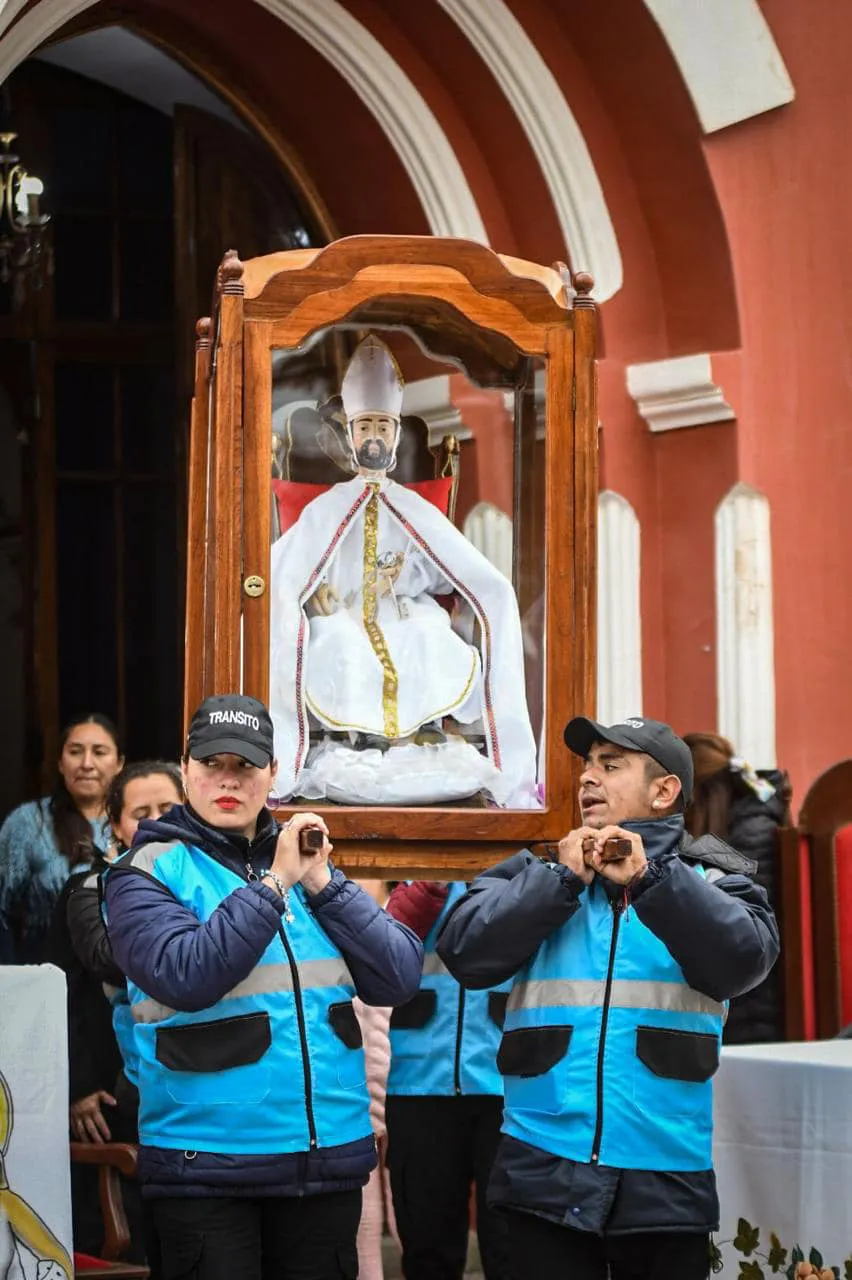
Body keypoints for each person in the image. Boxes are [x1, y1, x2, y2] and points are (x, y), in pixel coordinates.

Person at [436, 715, 780, 1280]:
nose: (588, 778)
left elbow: (742, 961)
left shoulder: (719, 881)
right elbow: (465, 953)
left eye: (611, 765)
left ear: (663, 790)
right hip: (540, 1167)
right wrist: (560, 882)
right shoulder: (535, 872)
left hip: (663, 1174)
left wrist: (651, 881)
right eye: (587, 765)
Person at [103, 693, 423, 1280]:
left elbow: (398, 976)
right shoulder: (143, 872)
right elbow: (186, 972)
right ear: (186, 769)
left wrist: (325, 882)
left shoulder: (306, 866)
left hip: (323, 1160)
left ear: (273, 774)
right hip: (207, 1168)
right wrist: (275, 884)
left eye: (245, 766)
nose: (228, 780)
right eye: (212, 764)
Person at [269, 334, 537, 808]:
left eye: (382, 427)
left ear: (395, 435)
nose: (373, 437)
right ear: (351, 435)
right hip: (342, 612)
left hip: (403, 610)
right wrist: (316, 597)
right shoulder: (329, 508)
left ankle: (419, 736)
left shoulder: (414, 508)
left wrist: (408, 575)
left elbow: (451, 574)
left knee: (428, 638)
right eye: (365, 426)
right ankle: (358, 741)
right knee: (340, 643)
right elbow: (289, 570)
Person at [383, 880, 511, 1280]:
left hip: (508, 1085)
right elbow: (383, 944)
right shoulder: (420, 873)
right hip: (418, 1081)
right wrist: (430, 879)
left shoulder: (528, 876)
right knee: (426, 1248)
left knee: (513, 1248)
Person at [684, 732, 790, 1044]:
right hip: (760, 998)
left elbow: (738, 933)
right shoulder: (755, 821)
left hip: (756, 1009)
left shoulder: (745, 839)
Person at [0, 713, 123, 963]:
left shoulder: (132, 821)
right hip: (41, 974)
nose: (87, 763)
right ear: (60, 763)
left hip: (120, 976)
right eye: (75, 752)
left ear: (119, 763)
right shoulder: (29, 822)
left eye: (99, 752)